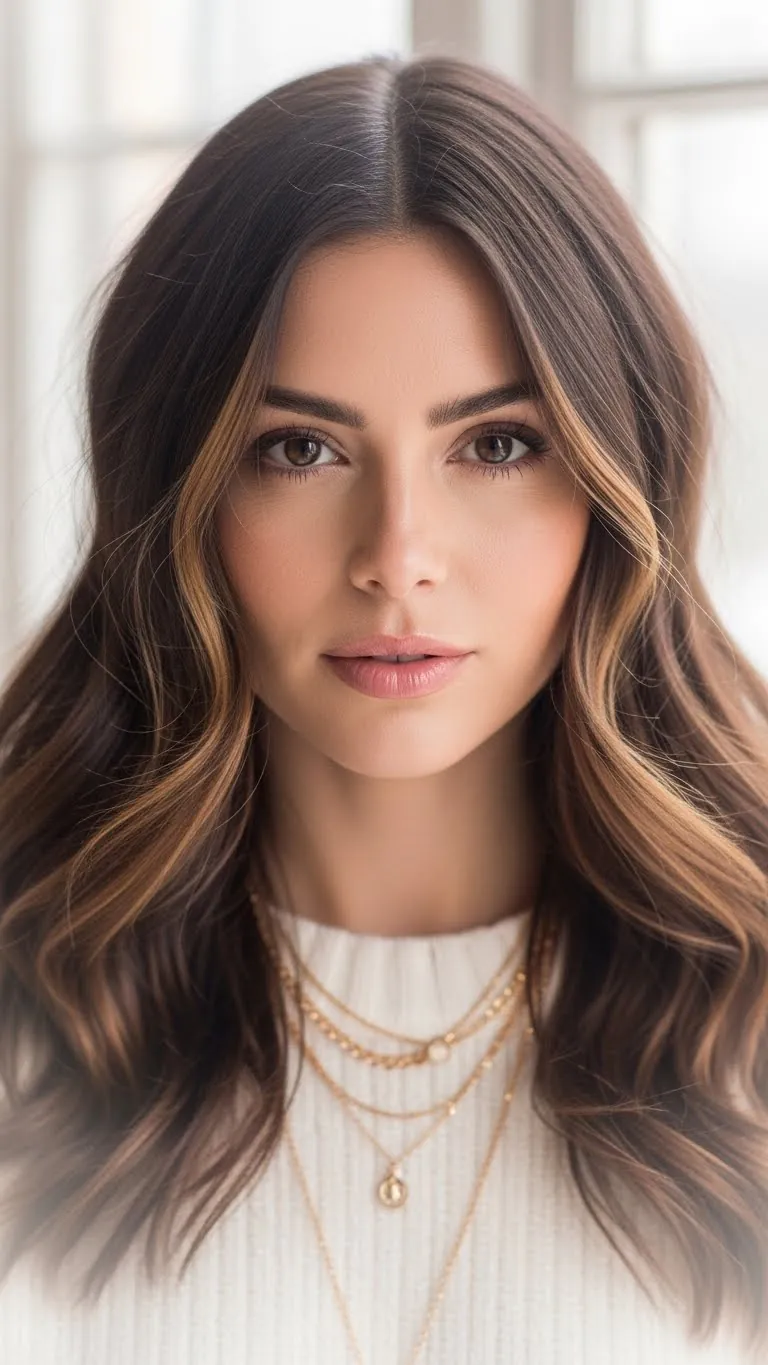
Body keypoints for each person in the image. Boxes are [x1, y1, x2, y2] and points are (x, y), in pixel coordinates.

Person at [0, 51, 766, 1365]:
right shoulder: (40, 973)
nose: (398, 553)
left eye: (497, 444)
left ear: (616, 475)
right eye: (299, 449)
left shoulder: (737, 992)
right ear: (177, 491)